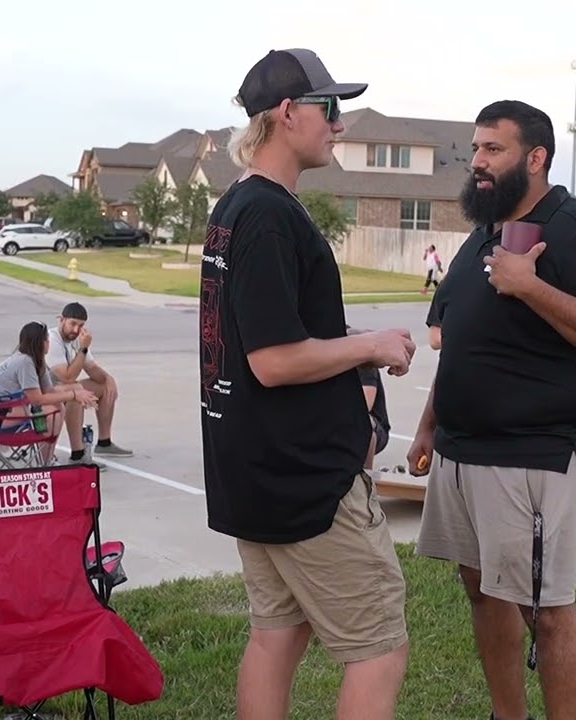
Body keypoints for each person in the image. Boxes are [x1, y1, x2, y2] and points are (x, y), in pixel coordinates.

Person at [200, 48, 417, 720]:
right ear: (288, 113)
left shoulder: (238, 207)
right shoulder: (267, 215)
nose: (340, 123)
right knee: (378, 648)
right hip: (302, 481)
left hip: (257, 472)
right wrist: (371, 346)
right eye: (329, 108)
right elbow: (271, 359)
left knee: (279, 632)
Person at [407, 100, 576, 720]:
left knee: (547, 609)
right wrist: (430, 424)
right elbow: (458, 335)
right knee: (483, 593)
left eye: (492, 150)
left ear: (535, 158)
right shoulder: (481, 236)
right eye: (475, 149)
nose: (476, 162)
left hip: (534, 455)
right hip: (462, 450)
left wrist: (529, 285)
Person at [0, 322, 99, 462]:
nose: (49, 342)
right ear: (40, 343)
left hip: (5, 407)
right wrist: (74, 395)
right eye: (46, 339)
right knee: (52, 412)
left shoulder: (36, 360)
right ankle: (45, 461)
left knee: (59, 404)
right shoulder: (25, 362)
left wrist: (77, 390)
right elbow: (37, 400)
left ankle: (47, 458)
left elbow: (49, 390)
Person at [45, 302, 132, 461]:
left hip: (65, 389)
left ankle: (104, 443)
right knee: (77, 392)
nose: (76, 330)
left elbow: (92, 370)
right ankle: (78, 454)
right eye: (72, 324)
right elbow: (67, 377)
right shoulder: (52, 339)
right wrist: (83, 349)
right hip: (45, 394)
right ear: (61, 320)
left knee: (105, 386)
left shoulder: (78, 339)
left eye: (81, 325)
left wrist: (108, 379)